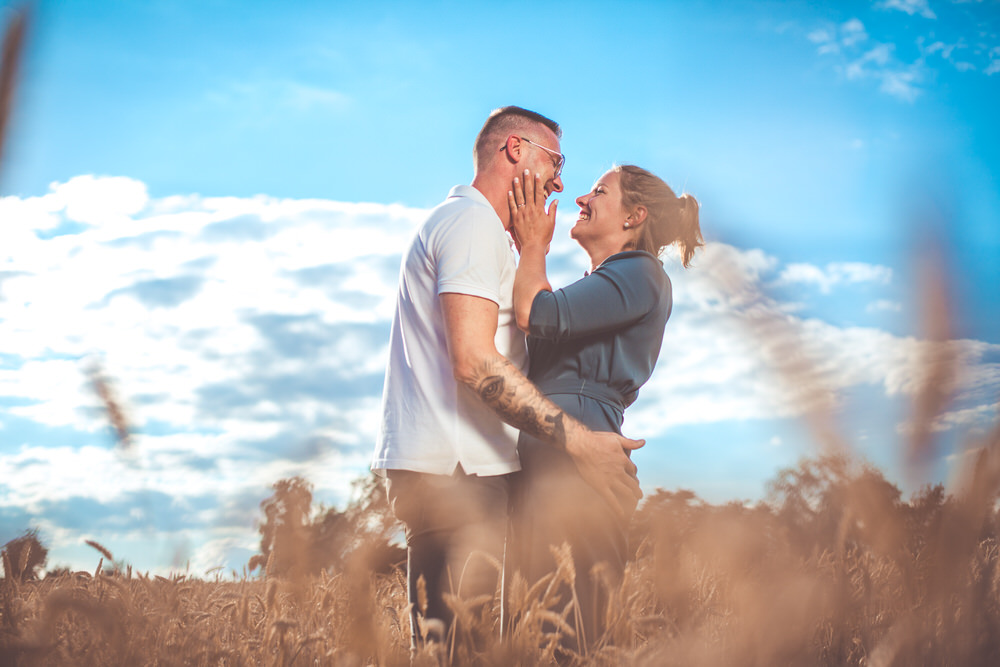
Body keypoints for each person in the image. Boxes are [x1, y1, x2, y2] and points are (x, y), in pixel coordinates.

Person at [371, 107, 644, 651]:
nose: (562, 182)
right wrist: (581, 441)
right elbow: (474, 360)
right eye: (555, 160)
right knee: (455, 652)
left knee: (468, 652)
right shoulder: (471, 224)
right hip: (454, 477)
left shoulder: (478, 232)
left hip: (464, 473)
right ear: (515, 150)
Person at [506, 164, 703, 654]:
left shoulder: (640, 273)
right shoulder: (607, 280)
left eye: (599, 190)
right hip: (556, 444)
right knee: (538, 626)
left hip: (577, 449)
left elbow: (536, 314)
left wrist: (534, 245)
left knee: (569, 628)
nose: (580, 199)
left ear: (634, 216)